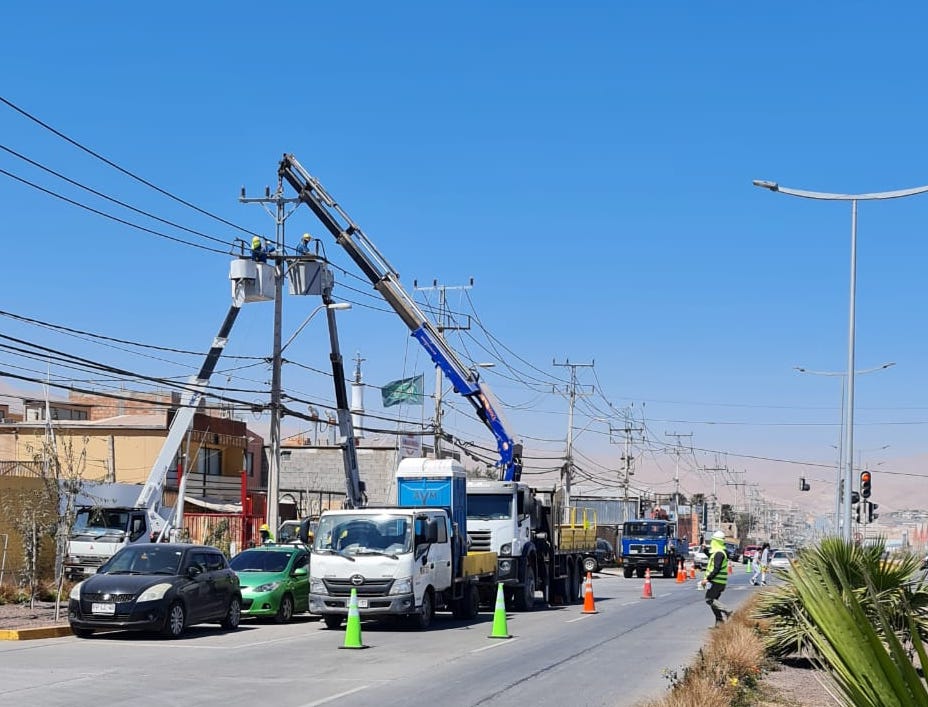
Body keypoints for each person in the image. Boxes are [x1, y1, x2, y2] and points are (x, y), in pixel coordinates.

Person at [700, 530, 732, 626]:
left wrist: (708, 579)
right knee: (714, 602)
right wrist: (705, 549)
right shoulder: (718, 552)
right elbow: (711, 556)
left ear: (716, 541)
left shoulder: (719, 553)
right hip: (719, 581)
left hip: (717, 581)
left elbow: (716, 568)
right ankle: (719, 622)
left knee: (709, 599)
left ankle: (727, 611)